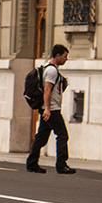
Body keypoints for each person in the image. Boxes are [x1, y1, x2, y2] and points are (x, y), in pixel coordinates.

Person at [26, 44, 75, 175]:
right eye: (65, 56)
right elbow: (47, 90)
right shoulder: (52, 71)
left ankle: (32, 163)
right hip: (52, 110)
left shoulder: (49, 69)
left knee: (41, 137)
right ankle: (61, 165)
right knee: (62, 134)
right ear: (57, 55)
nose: (66, 59)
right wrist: (47, 109)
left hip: (48, 109)